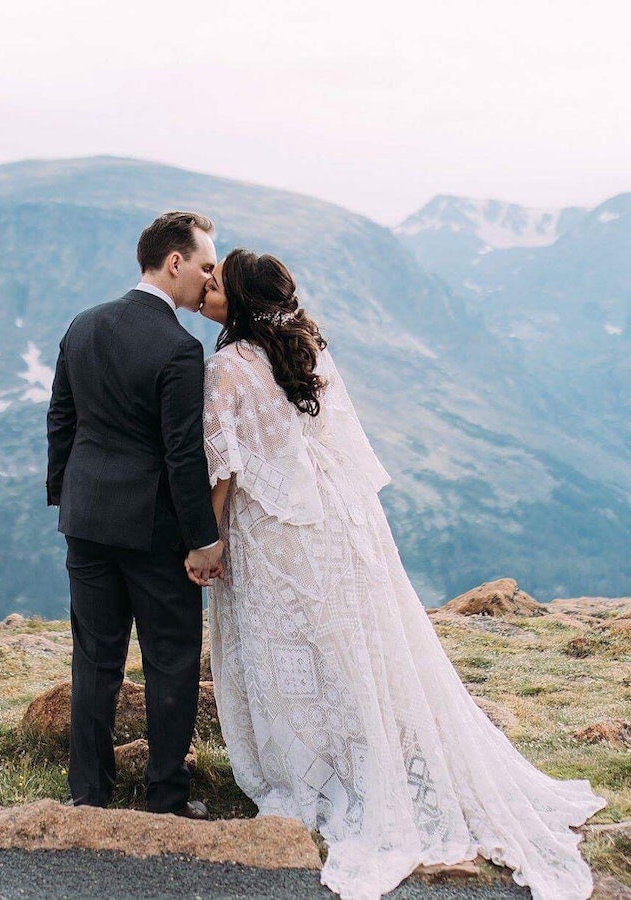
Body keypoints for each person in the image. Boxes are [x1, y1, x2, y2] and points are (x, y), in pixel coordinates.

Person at [197, 248, 607, 900]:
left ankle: (316, 775)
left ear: (240, 300)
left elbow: (223, 465)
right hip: (338, 523)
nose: (207, 284)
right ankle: (361, 762)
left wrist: (209, 541)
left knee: (289, 654)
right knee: (344, 649)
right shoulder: (302, 347)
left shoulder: (227, 366)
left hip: (275, 532)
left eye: (218, 281)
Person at [46, 211, 225, 818]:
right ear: (173, 262)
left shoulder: (83, 326)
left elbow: (62, 421)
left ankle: (89, 794)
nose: (208, 280)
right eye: (204, 266)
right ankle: (165, 798)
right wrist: (204, 538)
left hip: (88, 519)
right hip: (153, 531)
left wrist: (66, 495)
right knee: (170, 660)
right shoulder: (179, 349)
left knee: (94, 659)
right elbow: (183, 455)